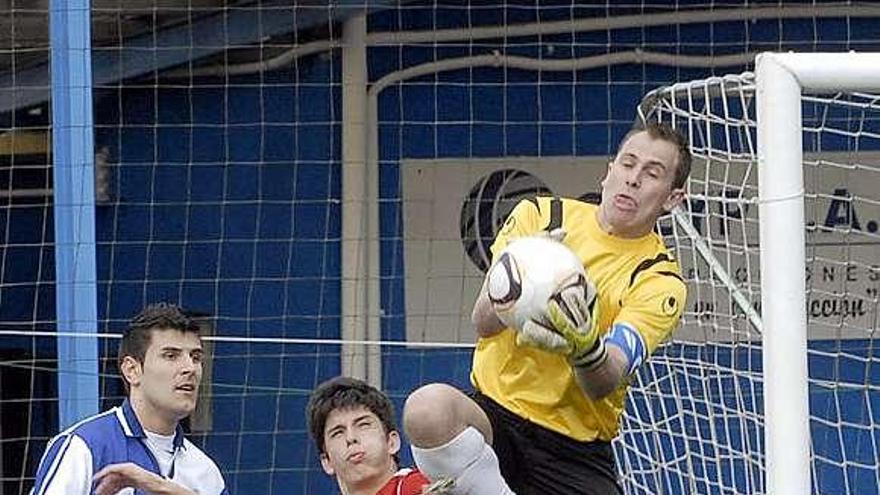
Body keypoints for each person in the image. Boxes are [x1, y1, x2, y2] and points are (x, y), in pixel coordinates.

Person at [402, 121, 691, 494]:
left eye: (652, 173)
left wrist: (585, 346)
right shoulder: (540, 216)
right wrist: (522, 268)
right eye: (627, 163)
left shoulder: (659, 279)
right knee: (427, 409)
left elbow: (606, 378)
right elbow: (483, 322)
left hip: (573, 448)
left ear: (672, 198)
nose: (633, 179)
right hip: (494, 418)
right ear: (608, 172)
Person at [31, 302, 228, 495]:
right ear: (132, 370)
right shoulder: (83, 447)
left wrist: (161, 488)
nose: (190, 368)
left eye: (195, 357)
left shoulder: (205, 472)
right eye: (170, 356)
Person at [308, 376, 454, 495]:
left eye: (363, 425)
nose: (351, 438)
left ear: (392, 442)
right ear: (327, 462)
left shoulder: (415, 486)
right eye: (338, 432)